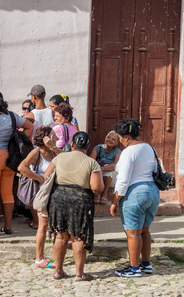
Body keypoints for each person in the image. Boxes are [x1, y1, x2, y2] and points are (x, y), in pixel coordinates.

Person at [44, 132, 104, 281]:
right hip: (80, 200)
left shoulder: (59, 157)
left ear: (72, 144)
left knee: (60, 235)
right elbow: (97, 187)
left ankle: (58, 271)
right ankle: (79, 274)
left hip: (58, 199)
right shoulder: (91, 162)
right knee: (78, 238)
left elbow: (46, 175)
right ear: (87, 146)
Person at [0, 91, 33, 236]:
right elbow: (29, 126)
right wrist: (18, 141)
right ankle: (7, 226)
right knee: (8, 194)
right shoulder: (12, 116)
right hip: (10, 157)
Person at [111, 119, 160, 278]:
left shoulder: (128, 152)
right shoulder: (149, 147)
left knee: (133, 233)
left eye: (119, 137)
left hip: (135, 193)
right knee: (144, 231)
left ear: (125, 137)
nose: (119, 140)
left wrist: (115, 200)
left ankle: (134, 269)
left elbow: (123, 180)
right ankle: (146, 264)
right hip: (152, 191)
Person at [18, 126, 57, 267]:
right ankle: (39, 258)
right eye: (53, 135)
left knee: (53, 226)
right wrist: (39, 178)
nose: (56, 137)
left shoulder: (53, 152)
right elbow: (22, 168)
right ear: (45, 137)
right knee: (43, 225)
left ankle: (55, 255)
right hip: (42, 194)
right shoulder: (36, 153)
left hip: (54, 194)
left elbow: (65, 158)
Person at [89, 131, 121, 204]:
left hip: (110, 173)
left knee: (108, 171)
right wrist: (98, 169)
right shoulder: (98, 148)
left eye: (113, 139)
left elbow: (115, 165)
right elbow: (91, 161)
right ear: (105, 138)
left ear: (116, 143)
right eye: (108, 137)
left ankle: (104, 194)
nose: (110, 140)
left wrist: (101, 168)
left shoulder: (117, 151)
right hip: (98, 171)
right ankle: (97, 193)